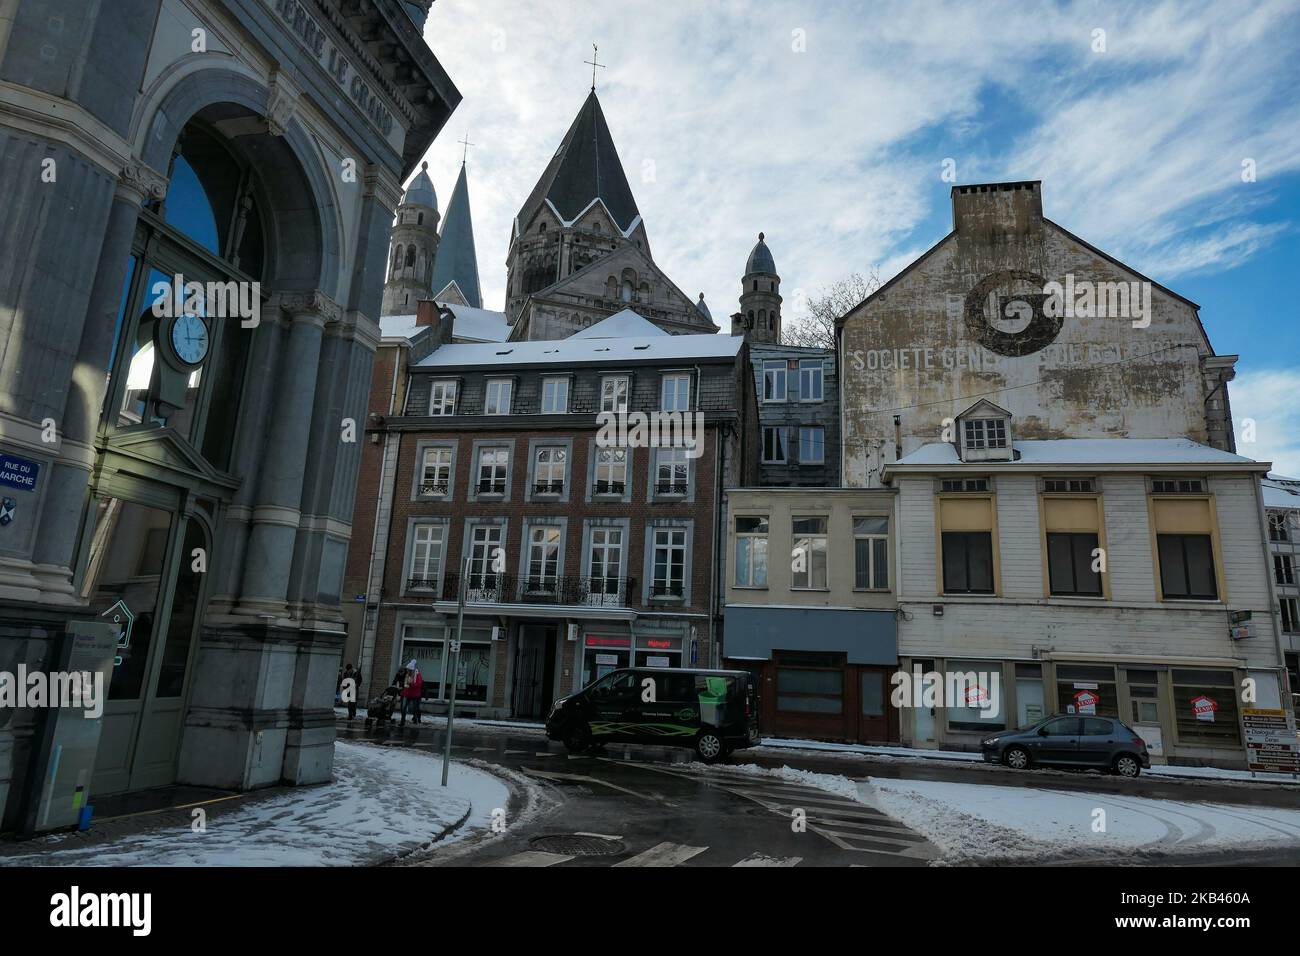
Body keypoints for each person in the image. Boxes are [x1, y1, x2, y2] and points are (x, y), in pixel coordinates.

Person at [399, 659, 423, 726]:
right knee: (403, 707)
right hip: (406, 694)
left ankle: (415, 718)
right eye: (407, 669)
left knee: (414, 708)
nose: (408, 671)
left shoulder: (417, 675)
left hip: (415, 695)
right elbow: (404, 684)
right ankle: (402, 721)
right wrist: (402, 692)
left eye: (409, 670)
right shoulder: (406, 675)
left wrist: (411, 684)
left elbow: (419, 684)